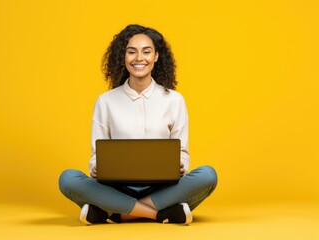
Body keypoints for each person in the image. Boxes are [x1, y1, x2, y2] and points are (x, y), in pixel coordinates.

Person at [59, 24, 217, 225]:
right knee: (68, 179)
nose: (139, 58)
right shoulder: (105, 101)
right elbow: (96, 155)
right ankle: (160, 214)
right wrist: (96, 167)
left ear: (156, 57)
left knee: (207, 175)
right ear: (123, 58)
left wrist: (181, 165)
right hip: (116, 186)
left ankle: (114, 212)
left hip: (163, 187)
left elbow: (183, 153)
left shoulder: (174, 100)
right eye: (131, 52)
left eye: (146, 52)